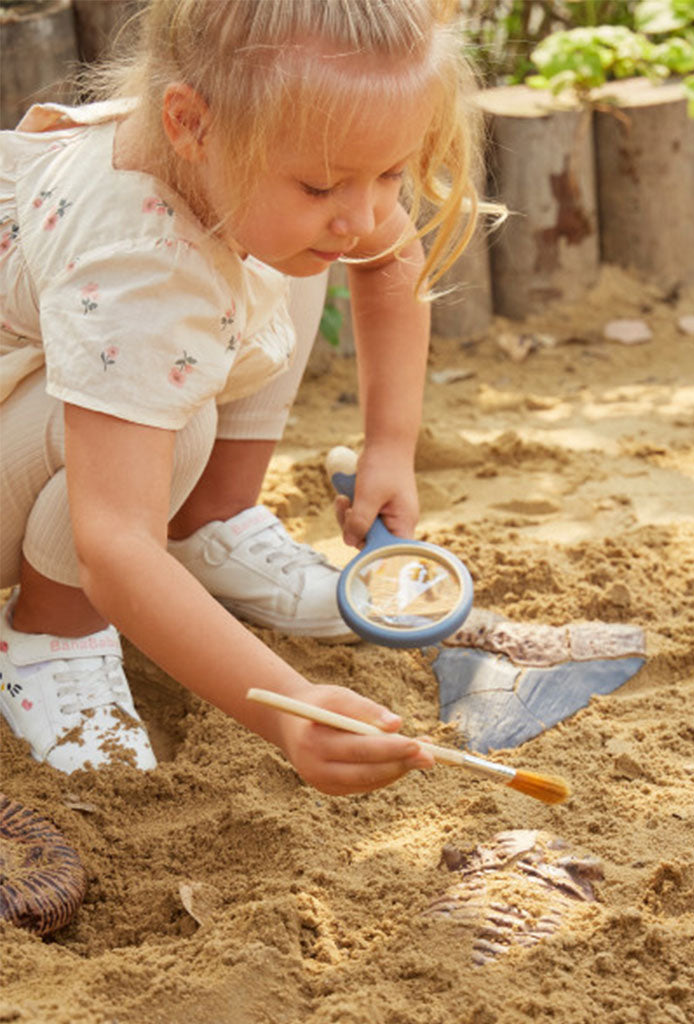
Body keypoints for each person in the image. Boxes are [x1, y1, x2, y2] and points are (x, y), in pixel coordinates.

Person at [0, 0, 491, 793]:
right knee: (177, 425)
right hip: (43, 435)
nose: (365, 212)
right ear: (189, 123)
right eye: (324, 183)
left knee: (292, 253)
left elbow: (387, 251)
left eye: (390, 173)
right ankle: (50, 635)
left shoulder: (238, 159)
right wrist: (290, 709)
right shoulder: (136, 271)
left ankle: (209, 521)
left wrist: (390, 447)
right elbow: (115, 545)